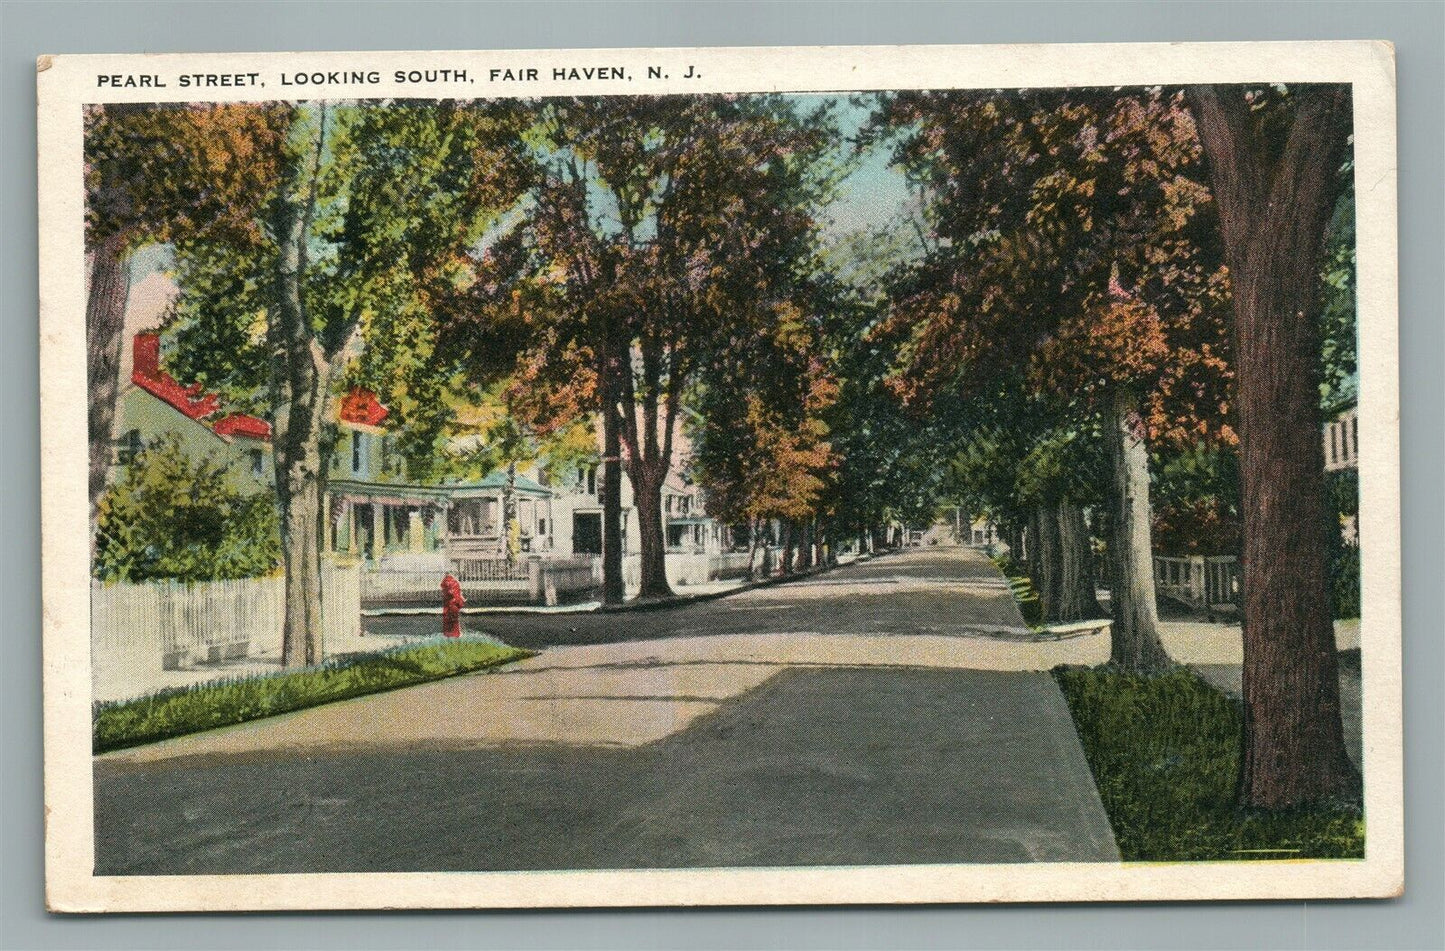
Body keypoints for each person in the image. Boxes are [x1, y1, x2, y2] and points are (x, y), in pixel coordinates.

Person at [440, 573, 465, 638]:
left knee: (447, 622)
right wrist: (461, 602)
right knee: (455, 622)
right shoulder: (455, 583)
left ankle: (447, 635)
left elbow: (448, 593)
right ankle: (456, 635)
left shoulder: (445, 583)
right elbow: (456, 594)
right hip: (454, 605)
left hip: (447, 605)